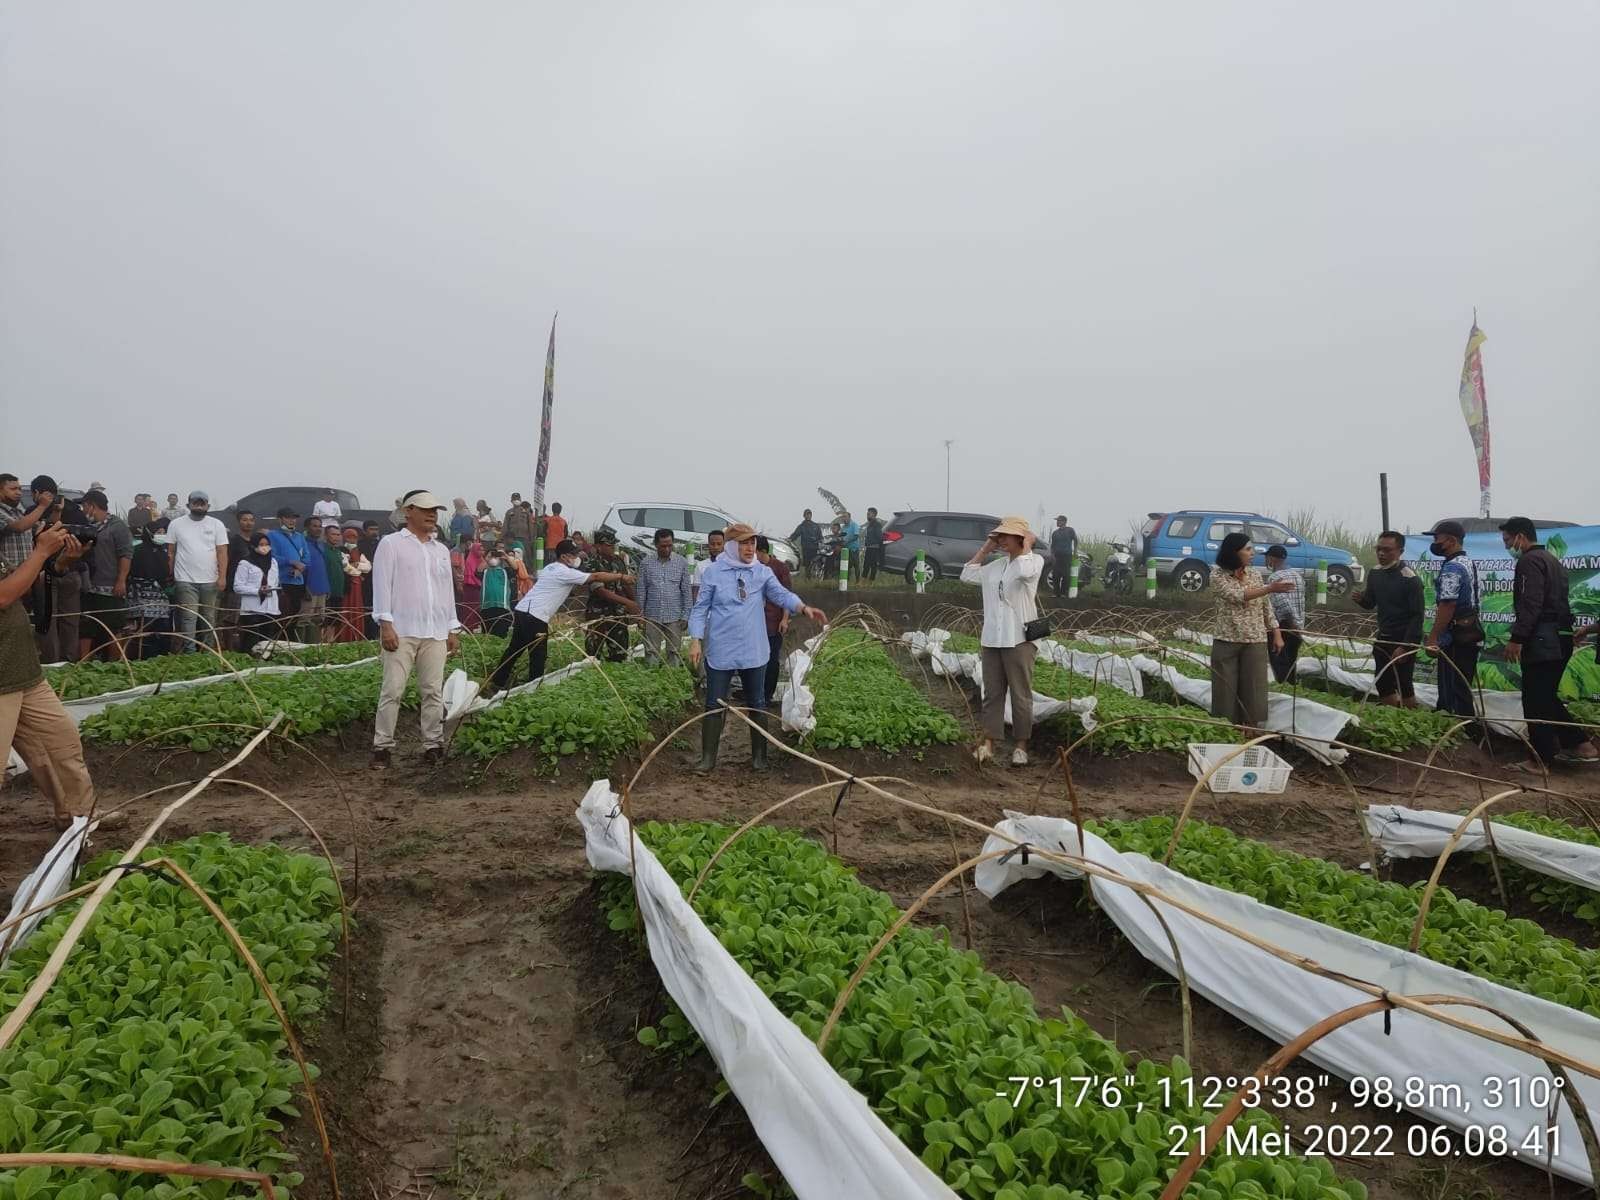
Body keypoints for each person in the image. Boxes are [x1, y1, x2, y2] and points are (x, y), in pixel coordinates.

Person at [688, 522, 826, 773]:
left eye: (752, 542)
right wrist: (696, 639)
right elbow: (700, 609)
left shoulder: (761, 572)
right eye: (743, 543)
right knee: (714, 703)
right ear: (731, 546)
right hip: (722, 649)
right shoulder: (714, 573)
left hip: (754, 649)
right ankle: (708, 759)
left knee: (757, 702)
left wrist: (803, 608)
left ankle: (759, 759)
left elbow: (781, 595)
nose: (750, 548)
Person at [0, 522, 96, 829]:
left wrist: (62, 560)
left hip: (25, 673)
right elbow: (3, 596)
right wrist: (40, 550)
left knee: (61, 745)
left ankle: (78, 816)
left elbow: (21, 585)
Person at [1499, 517, 1599, 772]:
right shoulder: (1552, 561)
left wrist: (1517, 638)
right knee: (1544, 696)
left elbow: (1531, 603)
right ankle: (1580, 745)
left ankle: (1540, 760)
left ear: (1521, 537)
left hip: (1542, 641)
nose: (1508, 545)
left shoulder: (1529, 561)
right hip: (1559, 638)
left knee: (1534, 700)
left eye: (1508, 540)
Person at [370, 491, 462, 769]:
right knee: (393, 690)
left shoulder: (441, 550)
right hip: (402, 629)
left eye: (434, 510)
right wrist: (385, 623)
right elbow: (382, 585)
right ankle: (382, 746)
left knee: (433, 690)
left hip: (434, 630)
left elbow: (447, 592)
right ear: (408, 511)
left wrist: (452, 627)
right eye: (425, 509)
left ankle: (433, 744)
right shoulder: (391, 544)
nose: (432, 514)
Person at [488, 538, 631, 692]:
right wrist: (621, 577)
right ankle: (534, 688)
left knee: (515, 649)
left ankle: (497, 681)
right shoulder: (564, 572)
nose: (577, 558)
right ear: (564, 557)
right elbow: (595, 577)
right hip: (536, 615)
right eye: (573, 555)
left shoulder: (551, 567)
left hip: (523, 610)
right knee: (538, 654)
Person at [959, 517, 1045, 765]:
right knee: (992, 693)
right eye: (1000, 536)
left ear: (1021, 538)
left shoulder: (1033, 561)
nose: (1002, 540)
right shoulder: (995, 567)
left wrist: (1028, 545)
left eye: (1007, 536)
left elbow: (1025, 571)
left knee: (1020, 694)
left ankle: (1021, 746)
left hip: (1019, 639)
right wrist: (986, 549)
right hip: (992, 639)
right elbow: (967, 575)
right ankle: (989, 742)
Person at [1209, 532, 1288, 730]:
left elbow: (1265, 606)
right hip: (1227, 639)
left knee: (1255, 689)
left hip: (1255, 639)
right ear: (1234, 552)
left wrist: (1276, 632)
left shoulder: (1254, 574)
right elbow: (1236, 595)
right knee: (1224, 690)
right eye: (1248, 549)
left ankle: (1250, 730)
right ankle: (1226, 730)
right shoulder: (1217, 575)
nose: (1253, 553)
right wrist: (1270, 588)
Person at [1353, 531, 1425, 708]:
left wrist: (1405, 646)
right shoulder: (1376, 573)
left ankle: (1410, 720)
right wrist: (1361, 599)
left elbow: (1417, 616)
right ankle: (1393, 715)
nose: (1381, 554)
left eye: (1387, 550)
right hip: (1384, 636)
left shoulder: (1410, 579)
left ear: (1400, 551)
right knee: (1383, 682)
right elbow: (1371, 603)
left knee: (1404, 683)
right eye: (1378, 549)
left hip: (1403, 639)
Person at [1422, 520, 1481, 720]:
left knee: (1452, 688)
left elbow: (1448, 604)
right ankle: (1466, 729)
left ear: (1451, 540)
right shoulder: (1467, 562)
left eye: (1437, 539)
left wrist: (1433, 638)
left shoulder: (1453, 568)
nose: (1435, 543)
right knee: (1461, 687)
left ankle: (1457, 732)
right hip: (1469, 632)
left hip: (1456, 636)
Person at [166, 490, 229, 651]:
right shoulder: (176, 524)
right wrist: (171, 573)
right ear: (188, 505)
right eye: (196, 502)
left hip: (210, 580)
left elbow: (222, 552)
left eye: (203, 503)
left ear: (208, 505)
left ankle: (207, 652)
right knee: (189, 617)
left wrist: (222, 577)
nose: (199, 505)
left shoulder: (216, 524)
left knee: (208, 617)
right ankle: (190, 653)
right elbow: (171, 552)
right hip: (185, 579)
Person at [78, 489, 133, 662]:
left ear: (92, 506)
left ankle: (115, 665)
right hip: (90, 586)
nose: (83, 510)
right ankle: (83, 663)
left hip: (110, 586)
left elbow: (126, 554)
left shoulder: (117, 526)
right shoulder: (90, 527)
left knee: (113, 627)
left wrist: (121, 580)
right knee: (87, 626)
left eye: (85, 506)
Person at [637, 527, 691, 666]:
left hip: (674, 615)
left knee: (674, 651)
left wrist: (686, 615)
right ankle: (652, 678)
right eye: (663, 546)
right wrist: (640, 614)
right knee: (651, 650)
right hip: (652, 614)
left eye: (669, 545)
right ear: (655, 545)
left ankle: (673, 679)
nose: (667, 549)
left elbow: (686, 591)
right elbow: (642, 590)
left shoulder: (682, 563)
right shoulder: (646, 563)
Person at [583, 528, 637, 660]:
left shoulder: (618, 561)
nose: (612, 548)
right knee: (593, 655)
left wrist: (634, 604)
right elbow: (600, 591)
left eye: (613, 544)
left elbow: (626, 585)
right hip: (598, 614)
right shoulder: (592, 563)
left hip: (618, 614)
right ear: (598, 546)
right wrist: (627, 602)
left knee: (619, 654)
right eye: (608, 545)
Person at [756, 535, 793, 705]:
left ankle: (767, 695)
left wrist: (785, 619)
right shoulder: (752, 568)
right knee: (755, 659)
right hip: (754, 623)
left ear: (762, 551)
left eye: (754, 549)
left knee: (771, 660)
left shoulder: (779, 568)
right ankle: (756, 692)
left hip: (773, 622)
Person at [127, 524, 173, 659]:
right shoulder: (138, 550)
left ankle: (161, 655)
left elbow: (166, 573)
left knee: (162, 627)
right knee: (145, 626)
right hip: (140, 593)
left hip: (159, 594)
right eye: (158, 532)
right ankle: (143, 657)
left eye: (163, 532)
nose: (161, 535)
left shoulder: (163, 551)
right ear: (149, 532)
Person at [1261, 545, 1305, 684]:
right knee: (1291, 659)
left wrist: (1291, 624)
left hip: (1283, 625)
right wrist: (1298, 626)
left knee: (1279, 660)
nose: (1266, 560)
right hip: (1297, 624)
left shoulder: (1275, 578)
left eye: (1267, 557)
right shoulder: (1297, 575)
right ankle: (1291, 684)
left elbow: (1283, 606)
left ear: (1272, 559)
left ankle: (1283, 686)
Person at [233, 531, 281, 652]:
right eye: (261, 544)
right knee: (251, 640)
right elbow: (237, 586)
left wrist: (271, 588)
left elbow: (275, 581)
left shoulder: (273, 562)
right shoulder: (245, 563)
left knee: (267, 641)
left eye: (267, 544)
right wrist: (257, 591)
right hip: (252, 609)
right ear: (253, 546)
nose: (264, 547)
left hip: (270, 607)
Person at [268, 508, 310, 640]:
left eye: (294, 518)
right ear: (280, 519)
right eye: (288, 517)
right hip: (282, 581)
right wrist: (290, 561)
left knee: (294, 616)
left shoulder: (300, 536)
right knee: (281, 616)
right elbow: (271, 555)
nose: (292, 520)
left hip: (298, 581)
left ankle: (290, 643)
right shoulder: (272, 535)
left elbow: (307, 557)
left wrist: (300, 568)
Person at [221, 509, 257, 650]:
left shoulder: (255, 542)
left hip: (252, 588)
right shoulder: (234, 541)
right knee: (231, 620)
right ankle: (229, 649)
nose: (248, 523)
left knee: (248, 620)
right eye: (244, 520)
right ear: (239, 522)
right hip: (235, 586)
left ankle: (246, 648)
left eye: (251, 520)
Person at [0, 473, 53, 568]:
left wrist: (57, 511)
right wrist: (42, 506)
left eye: (19, 489)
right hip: (6, 576)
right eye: (13, 489)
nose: (19, 492)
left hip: (25, 573)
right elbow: (19, 527)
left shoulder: (19, 512)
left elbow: (43, 527)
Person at [301, 516, 333, 643]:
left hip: (322, 589)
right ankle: (301, 648)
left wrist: (327, 587)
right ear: (307, 528)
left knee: (318, 619)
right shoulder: (303, 544)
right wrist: (304, 587)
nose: (318, 529)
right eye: (314, 526)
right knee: (304, 620)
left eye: (320, 526)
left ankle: (314, 648)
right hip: (309, 588)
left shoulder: (321, 545)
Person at [338, 526, 372, 642]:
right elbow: (345, 567)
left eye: (354, 537)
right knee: (346, 608)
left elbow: (368, 567)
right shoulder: (341, 550)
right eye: (349, 537)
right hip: (347, 584)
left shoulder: (359, 551)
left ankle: (356, 636)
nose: (352, 540)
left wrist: (357, 565)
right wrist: (357, 570)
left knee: (356, 609)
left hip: (357, 585)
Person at [478, 538, 514, 637]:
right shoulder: (485, 572)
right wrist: (488, 558)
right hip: (487, 607)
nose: (494, 559)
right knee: (487, 633)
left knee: (501, 632)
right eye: (492, 557)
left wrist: (505, 557)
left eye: (496, 557)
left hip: (502, 607)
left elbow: (515, 568)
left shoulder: (505, 571)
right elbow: (478, 571)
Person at [319, 520, 348, 641]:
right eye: (333, 534)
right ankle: (321, 642)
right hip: (327, 591)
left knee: (334, 620)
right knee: (324, 620)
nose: (336, 537)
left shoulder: (338, 552)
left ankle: (330, 643)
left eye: (338, 534)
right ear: (326, 535)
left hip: (338, 591)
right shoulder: (322, 550)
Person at [458, 536, 486, 631]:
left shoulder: (482, 560)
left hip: (479, 587)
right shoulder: (470, 560)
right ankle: (469, 627)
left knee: (477, 607)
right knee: (470, 608)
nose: (481, 552)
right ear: (474, 550)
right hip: (471, 587)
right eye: (479, 550)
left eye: (483, 550)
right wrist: (479, 583)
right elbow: (472, 575)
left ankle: (475, 626)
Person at [1048, 516, 1078, 598]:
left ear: (1064, 521)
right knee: (1055, 575)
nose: (1057, 522)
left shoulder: (1070, 530)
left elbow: (1075, 540)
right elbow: (1052, 546)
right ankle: (1055, 593)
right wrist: (1052, 555)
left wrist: (1075, 551)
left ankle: (1063, 593)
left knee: (1066, 575)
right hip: (1057, 556)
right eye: (1057, 521)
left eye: (1059, 520)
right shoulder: (1055, 533)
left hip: (1067, 556)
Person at [692, 529, 725, 602]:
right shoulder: (700, 566)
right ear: (708, 545)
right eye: (712, 544)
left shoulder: (730, 566)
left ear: (724, 545)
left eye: (719, 544)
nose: (716, 547)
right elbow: (696, 593)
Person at [789, 509, 822, 579]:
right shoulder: (801, 526)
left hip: (815, 548)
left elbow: (820, 537)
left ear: (811, 515)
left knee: (815, 564)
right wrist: (789, 540)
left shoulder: (816, 526)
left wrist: (821, 543)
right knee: (807, 565)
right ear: (804, 516)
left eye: (809, 514)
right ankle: (808, 579)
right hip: (806, 548)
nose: (808, 515)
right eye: (807, 514)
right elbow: (795, 535)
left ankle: (816, 577)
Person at [862, 508, 885, 582]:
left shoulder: (877, 525)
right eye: (867, 514)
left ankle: (871, 582)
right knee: (866, 565)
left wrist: (877, 547)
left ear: (874, 515)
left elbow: (880, 537)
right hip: (869, 548)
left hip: (874, 548)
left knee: (873, 566)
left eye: (869, 514)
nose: (867, 515)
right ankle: (863, 581)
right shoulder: (869, 525)